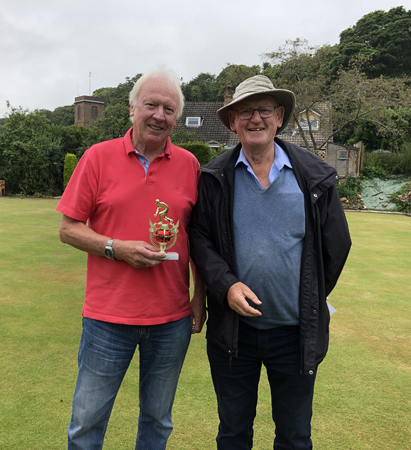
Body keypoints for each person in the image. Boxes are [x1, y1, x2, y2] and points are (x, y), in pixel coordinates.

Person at [189, 75, 351, 449]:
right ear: (232, 122)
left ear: (279, 117)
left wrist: (309, 295)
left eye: (264, 110)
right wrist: (226, 284)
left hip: (295, 334)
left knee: (294, 438)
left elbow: (337, 245)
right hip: (234, 334)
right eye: (245, 111)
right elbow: (200, 238)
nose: (255, 119)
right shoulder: (214, 176)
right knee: (232, 434)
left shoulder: (313, 174)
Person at [57, 68, 206, 450]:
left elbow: (200, 240)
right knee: (87, 424)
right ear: (132, 109)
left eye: (169, 109)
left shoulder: (190, 165)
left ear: (177, 117)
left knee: (157, 422)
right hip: (108, 318)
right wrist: (115, 248)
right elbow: (69, 228)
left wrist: (199, 297)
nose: (159, 115)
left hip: (171, 320)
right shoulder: (97, 157)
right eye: (151, 105)